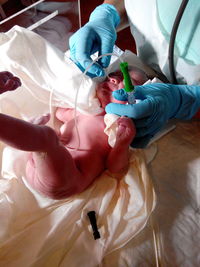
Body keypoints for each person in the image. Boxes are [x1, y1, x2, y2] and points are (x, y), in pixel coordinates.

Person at [0, 67, 147, 199]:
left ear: (135, 103)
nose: (113, 79)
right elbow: (60, 113)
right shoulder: (85, 111)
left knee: (47, 137)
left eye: (130, 82)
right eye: (114, 75)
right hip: (38, 162)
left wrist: (122, 144)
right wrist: (83, 100)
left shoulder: (116, 124)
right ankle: (37, 138)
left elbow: (116, 168)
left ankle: (38, 138)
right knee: (47, 136)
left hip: (67, 178)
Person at [69, 0, 200, 148]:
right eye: (117, 75)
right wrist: (107, 13)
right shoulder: (83, 105)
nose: (113, 79)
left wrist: (187, 99)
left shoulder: (122, 125)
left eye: (140, 84)